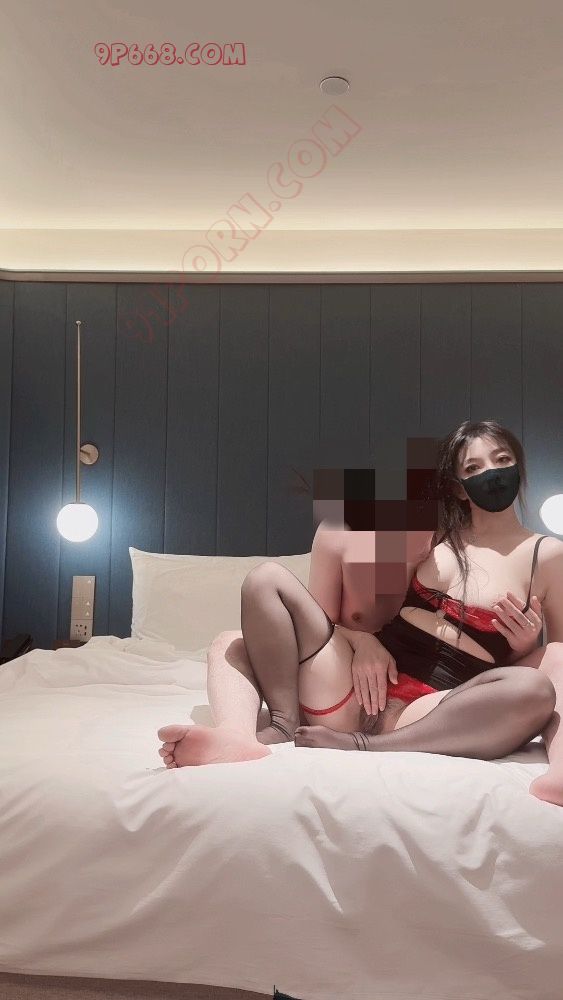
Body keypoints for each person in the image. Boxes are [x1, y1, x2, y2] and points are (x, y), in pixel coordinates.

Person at [157, 420, 563, 804]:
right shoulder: (434, 539)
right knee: (238, 629)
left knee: (537, 684)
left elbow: (555, 663)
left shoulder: (547, 555)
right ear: (457, 487)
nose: (491, 473)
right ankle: (250, 732)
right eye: (473, 467)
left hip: (430, 709)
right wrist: (363, 639)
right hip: (355, 688)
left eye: (502, 460)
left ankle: (365, 745)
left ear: (519, 465)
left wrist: (526, 644)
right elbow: (341, 618)